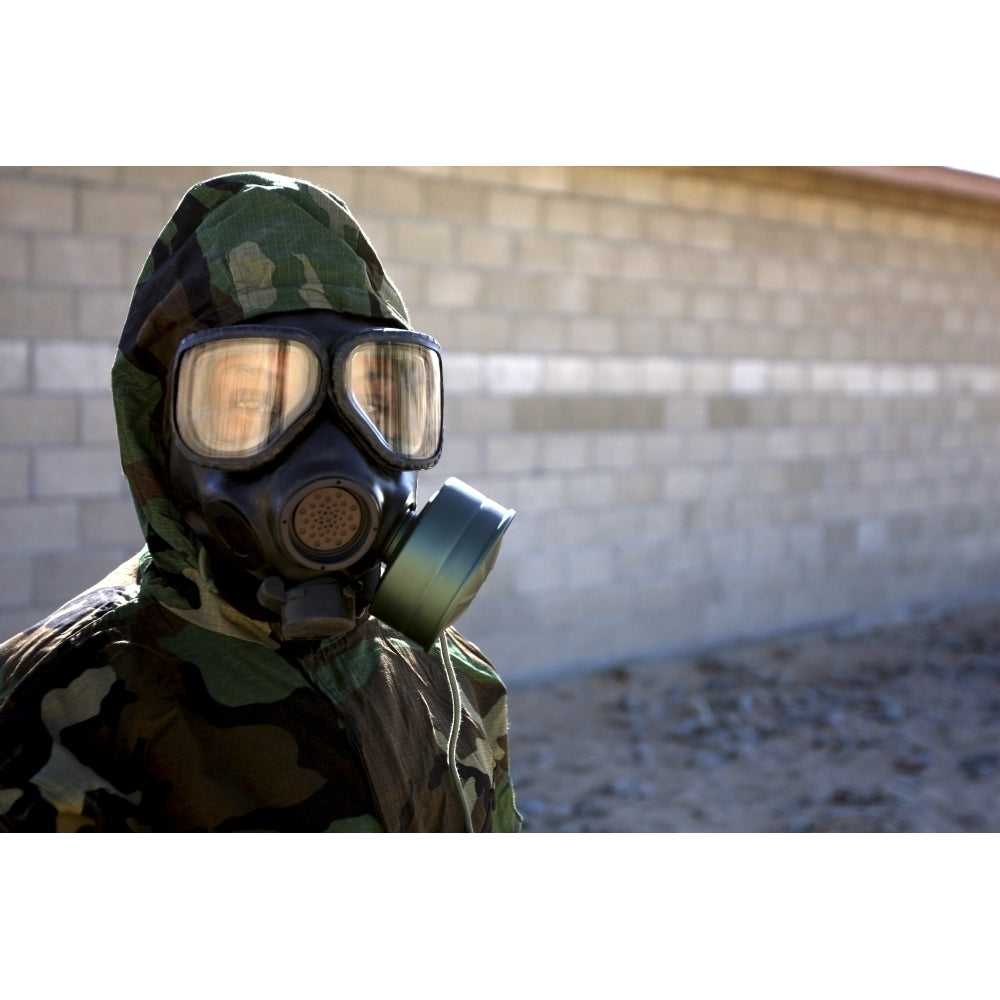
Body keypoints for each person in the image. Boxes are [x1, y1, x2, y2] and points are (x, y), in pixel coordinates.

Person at [0, 172, 520, 832]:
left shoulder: (454, 677)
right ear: (162, 433)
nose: (332, 453)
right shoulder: (53, 715)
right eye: (250, 400)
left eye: (376, 402)